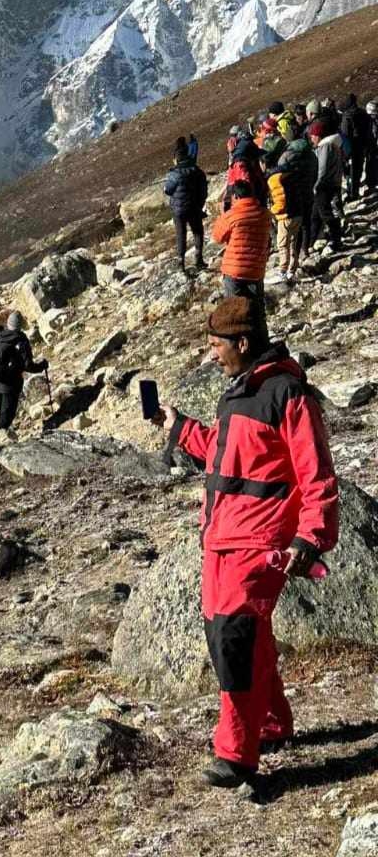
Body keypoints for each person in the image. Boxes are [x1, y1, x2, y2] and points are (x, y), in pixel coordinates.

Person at [153, 297, 338, 787]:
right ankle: (272, 724)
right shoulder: (237, 392)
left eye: (216, 345)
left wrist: (311, 537)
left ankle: (236, 754)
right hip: (220, 539)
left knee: (233, 639)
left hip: (261, 540)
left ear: (241, 342)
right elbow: (223, 452)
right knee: (241, 635)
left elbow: (316, 472)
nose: (210, 355)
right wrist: (178, 428)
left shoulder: (288, 393)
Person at [0, 310, 48, 434]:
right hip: (11, 384)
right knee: (7, 417)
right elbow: (28, 366)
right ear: (20, 325)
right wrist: (42, 366)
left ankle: (0, 435)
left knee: (2, 413)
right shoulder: (21, 340)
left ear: (8, 323)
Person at [212, 181, 271, 301]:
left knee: (235, 311)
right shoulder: (265, 214)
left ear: (235, 196)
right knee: (257, 310)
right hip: (256, 269)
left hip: (234, 269)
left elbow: (217, 237)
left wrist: (222, 214)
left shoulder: (231, 215)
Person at [164, 136, 208, 274]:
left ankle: (181, 263)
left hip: (179, 210)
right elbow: (204, 191)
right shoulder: (198, 171)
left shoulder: (174, 174)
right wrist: (200, 204)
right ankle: (199, 259)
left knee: (181, 234)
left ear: (177, 158)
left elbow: (168, 190)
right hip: (194, 207)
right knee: (198, 232)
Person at [276, 130, 317, 279]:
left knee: (288, 235)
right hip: (308, 194)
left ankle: (285, 266)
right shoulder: (312, 156)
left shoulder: (287, 156)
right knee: (305, 225)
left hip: (292, 200)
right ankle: (304, 250)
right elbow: (315, 175)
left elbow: (279, 175)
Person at [307, 120, 344, 252]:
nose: (311, 138)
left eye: (313, 135)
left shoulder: (325, 146)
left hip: (323, 186)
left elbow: (322, 169)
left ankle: (337, 239)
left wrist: (316, 185)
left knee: (324, 214)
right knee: (316, 215)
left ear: (319, 135)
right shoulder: (334, 145)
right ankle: (311, 243)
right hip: (332, 183)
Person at [267, 156, 302, 283]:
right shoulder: (291, 175)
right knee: (293, 242)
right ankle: (292, 270)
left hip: (286, 216)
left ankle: (282, 271)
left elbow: (281, 203)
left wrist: (270, 212)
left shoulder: (274, 180)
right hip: (298, 213)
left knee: (282, 244)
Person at [341, 93, 371, 201]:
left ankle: (352, 194)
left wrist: (345, 151)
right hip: (362, 145)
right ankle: (356, 191)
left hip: (351, 146)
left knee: (351, 171)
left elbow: (344, 134)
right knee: (358, 170)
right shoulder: (363, 113)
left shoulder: (347, 116)